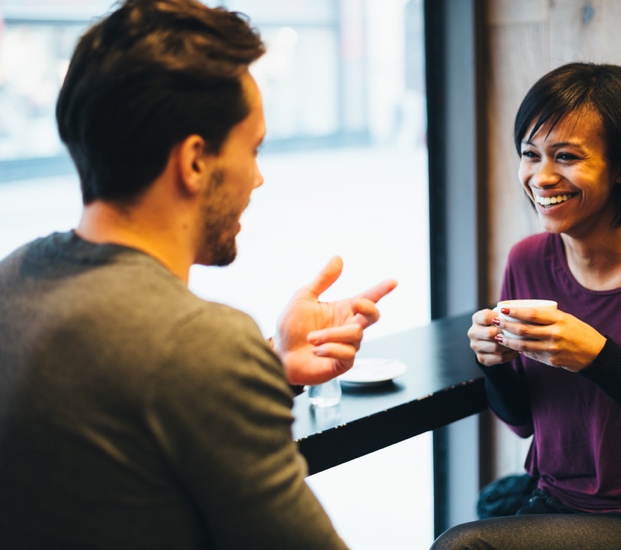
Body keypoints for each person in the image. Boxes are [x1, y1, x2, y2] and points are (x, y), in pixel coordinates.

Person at [0, 1, 397, 548]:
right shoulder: (200, 346)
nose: (257, 179)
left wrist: (270, 367)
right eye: (252, 149)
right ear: (194, 161)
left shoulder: (13, 279)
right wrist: (242, 365)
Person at [432, 63, 621, 549]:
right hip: (558, 503)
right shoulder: (528, 259)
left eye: (566, 156)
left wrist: (598, 357)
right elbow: (522, 425)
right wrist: (493, 363)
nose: (542, 176)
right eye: (530, 154)